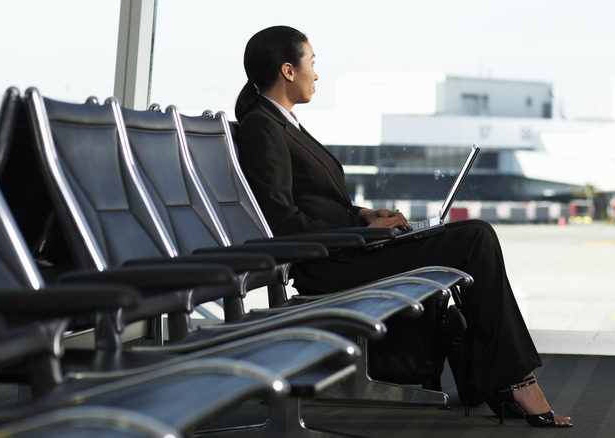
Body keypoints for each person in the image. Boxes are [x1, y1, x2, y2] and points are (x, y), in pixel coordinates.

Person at [234, 25, 572, 428]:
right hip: (332, 263)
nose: (317, 74)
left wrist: (363, 216)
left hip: (347, 247)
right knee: (475, 238)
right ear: (289, 71)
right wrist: (362, 232)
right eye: (312, 63)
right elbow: (284, 221)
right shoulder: (263, 127)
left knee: (471, 239)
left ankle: (504, 379)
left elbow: (316, 201)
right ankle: (515, 382)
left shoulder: (283, 123)